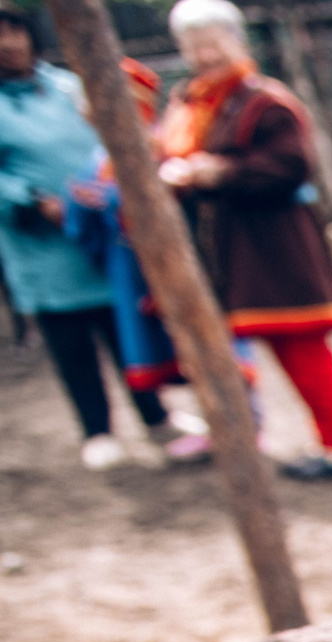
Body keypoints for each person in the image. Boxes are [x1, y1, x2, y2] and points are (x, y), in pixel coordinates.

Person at [159, 0, 332, 480]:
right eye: (194, 46)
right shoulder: (189, 103)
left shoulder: (265, 102)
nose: (205, 55)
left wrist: (219, 173)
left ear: (237, 41)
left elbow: (291, 166)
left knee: (303, 347)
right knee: (219, 351)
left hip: (276, 248)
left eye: (213, 42)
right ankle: (239, 437)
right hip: (222, 251)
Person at [0, 2, 186, 468]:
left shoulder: (68, 87)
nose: (9, 43)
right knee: (70, 339)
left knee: (125, 326)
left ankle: (155, 415)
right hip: (42, 244)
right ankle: (97, 430)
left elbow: (112, 139)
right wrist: (31, 198)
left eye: (15, 32)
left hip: (103, 232)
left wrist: (108, 187)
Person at [62, 57, 243, 465]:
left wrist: (109, 201)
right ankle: (213, 425)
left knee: (211, 342)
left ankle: (241, 423)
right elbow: (84, 223)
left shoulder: (165, 147)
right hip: (132, 271)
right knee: (175, 349)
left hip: (182, 266)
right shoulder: (98, 161)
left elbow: (173, 202)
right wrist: (82, 206)